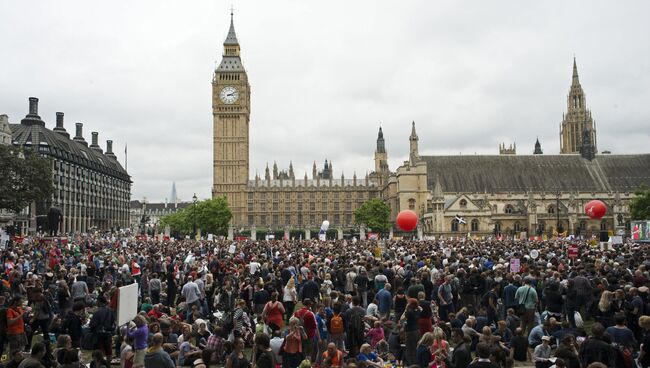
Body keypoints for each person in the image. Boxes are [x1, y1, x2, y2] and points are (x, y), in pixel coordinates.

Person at [89, 295, 115, 361]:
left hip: (98, 335)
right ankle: (108, 365)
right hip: (108, 333)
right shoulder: (110, 310)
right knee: (108, 351)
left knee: (98, 352)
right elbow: (113, 321)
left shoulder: (97, 312)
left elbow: (92, 325)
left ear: (99, 302)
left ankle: (98, 363)